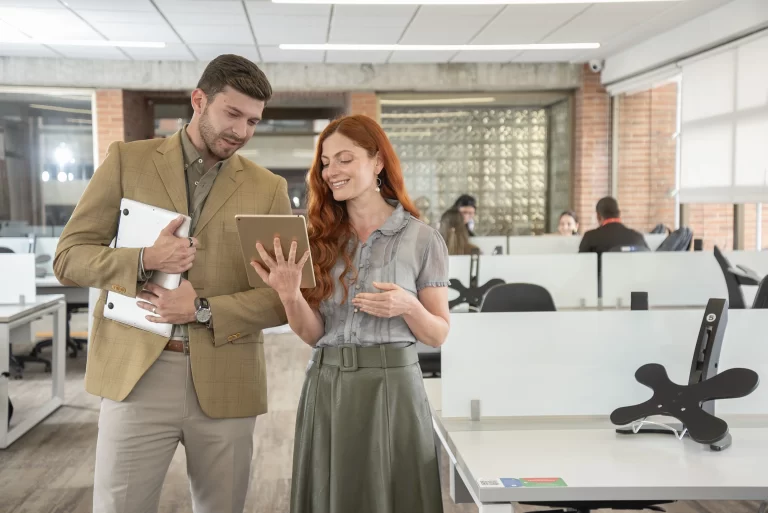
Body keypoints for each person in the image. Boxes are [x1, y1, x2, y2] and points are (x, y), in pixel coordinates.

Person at [53, 54, 292, 513]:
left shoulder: (268, 189)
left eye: (254, 121)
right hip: (137, 375)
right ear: (199, 100)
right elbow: (68, 259)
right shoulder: (128, 161)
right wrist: (144, 259)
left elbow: (283, 299)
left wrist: (201, 308)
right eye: (232, 114)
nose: (242, 131)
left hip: (227, 378)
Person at [250, 115, 450, 513]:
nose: (331, 172)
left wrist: (407, 305)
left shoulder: (422, 239)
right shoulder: (316, 239)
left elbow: (437, 334)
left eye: (344, 159)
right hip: (328, 385)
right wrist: (290, 295)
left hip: (393, 390)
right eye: (325, 162)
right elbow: (313, 333)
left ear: (377, 162)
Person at [578, 196, 649, 253]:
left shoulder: (590, 237)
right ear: (619, 214)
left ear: (598, 216)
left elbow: (581, 265)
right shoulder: (638, 237)